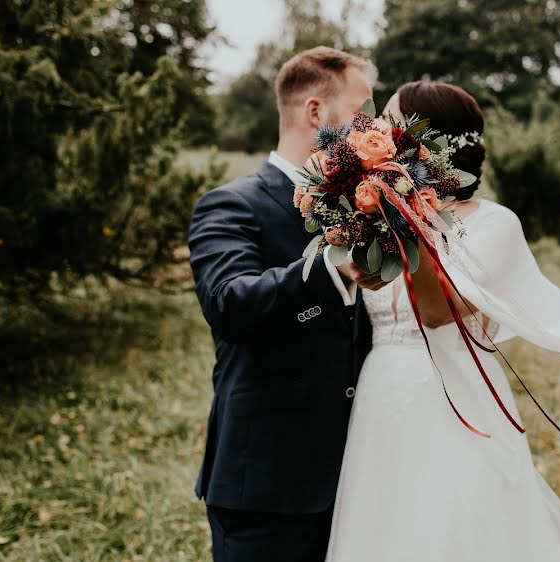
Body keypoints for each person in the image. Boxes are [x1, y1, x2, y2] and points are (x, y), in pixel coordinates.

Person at [324, 80, 560, 561]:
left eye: (392, 122)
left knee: (458, 529)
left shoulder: (494, 223)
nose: (379, 131)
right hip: (382, 392)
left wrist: (404, 218)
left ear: (428, 140)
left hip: (456, 397)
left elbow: (440, 313)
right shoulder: (368, 216)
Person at [187, 47, 385, 562]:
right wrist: (328, 270)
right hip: (267, 489)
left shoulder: (363, 204)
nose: (373, 127)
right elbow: (229, 304)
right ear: (315, 113)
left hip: (355, 482)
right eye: (362, 112)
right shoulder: (232, 204)